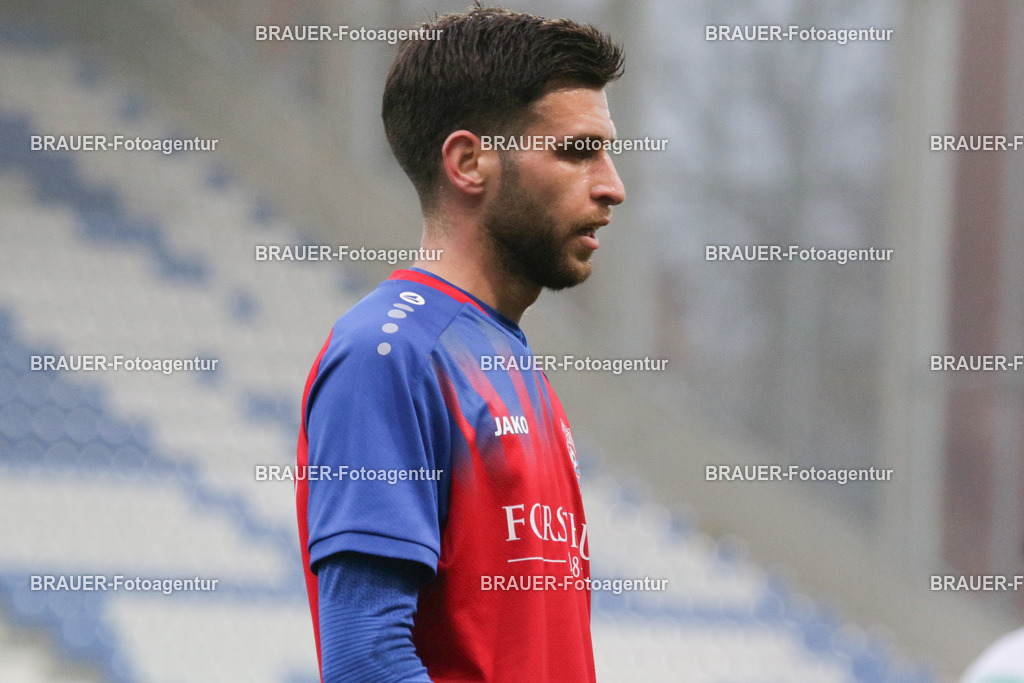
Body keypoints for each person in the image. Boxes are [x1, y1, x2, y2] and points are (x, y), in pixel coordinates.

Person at [296, 7, 625, 681]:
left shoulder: (508, 357)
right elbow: (366, 658)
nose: (612, 186)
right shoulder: (389, 354)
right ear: (470, 162)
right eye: (577, 151)